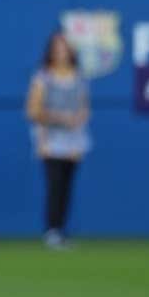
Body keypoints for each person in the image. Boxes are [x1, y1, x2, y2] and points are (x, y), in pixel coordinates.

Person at [25, 30, 90, 250]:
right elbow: (33, 110)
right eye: (57, 48)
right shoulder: (43, 77)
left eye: (65, 47)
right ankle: (52, 230)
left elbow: (84, 107)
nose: (61, 52)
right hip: (50, 140)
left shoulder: (78, 76)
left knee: (67, 187)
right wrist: (60, 118)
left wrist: (78, 118)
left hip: (74, 140)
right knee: (54, 185)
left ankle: (61, 228)